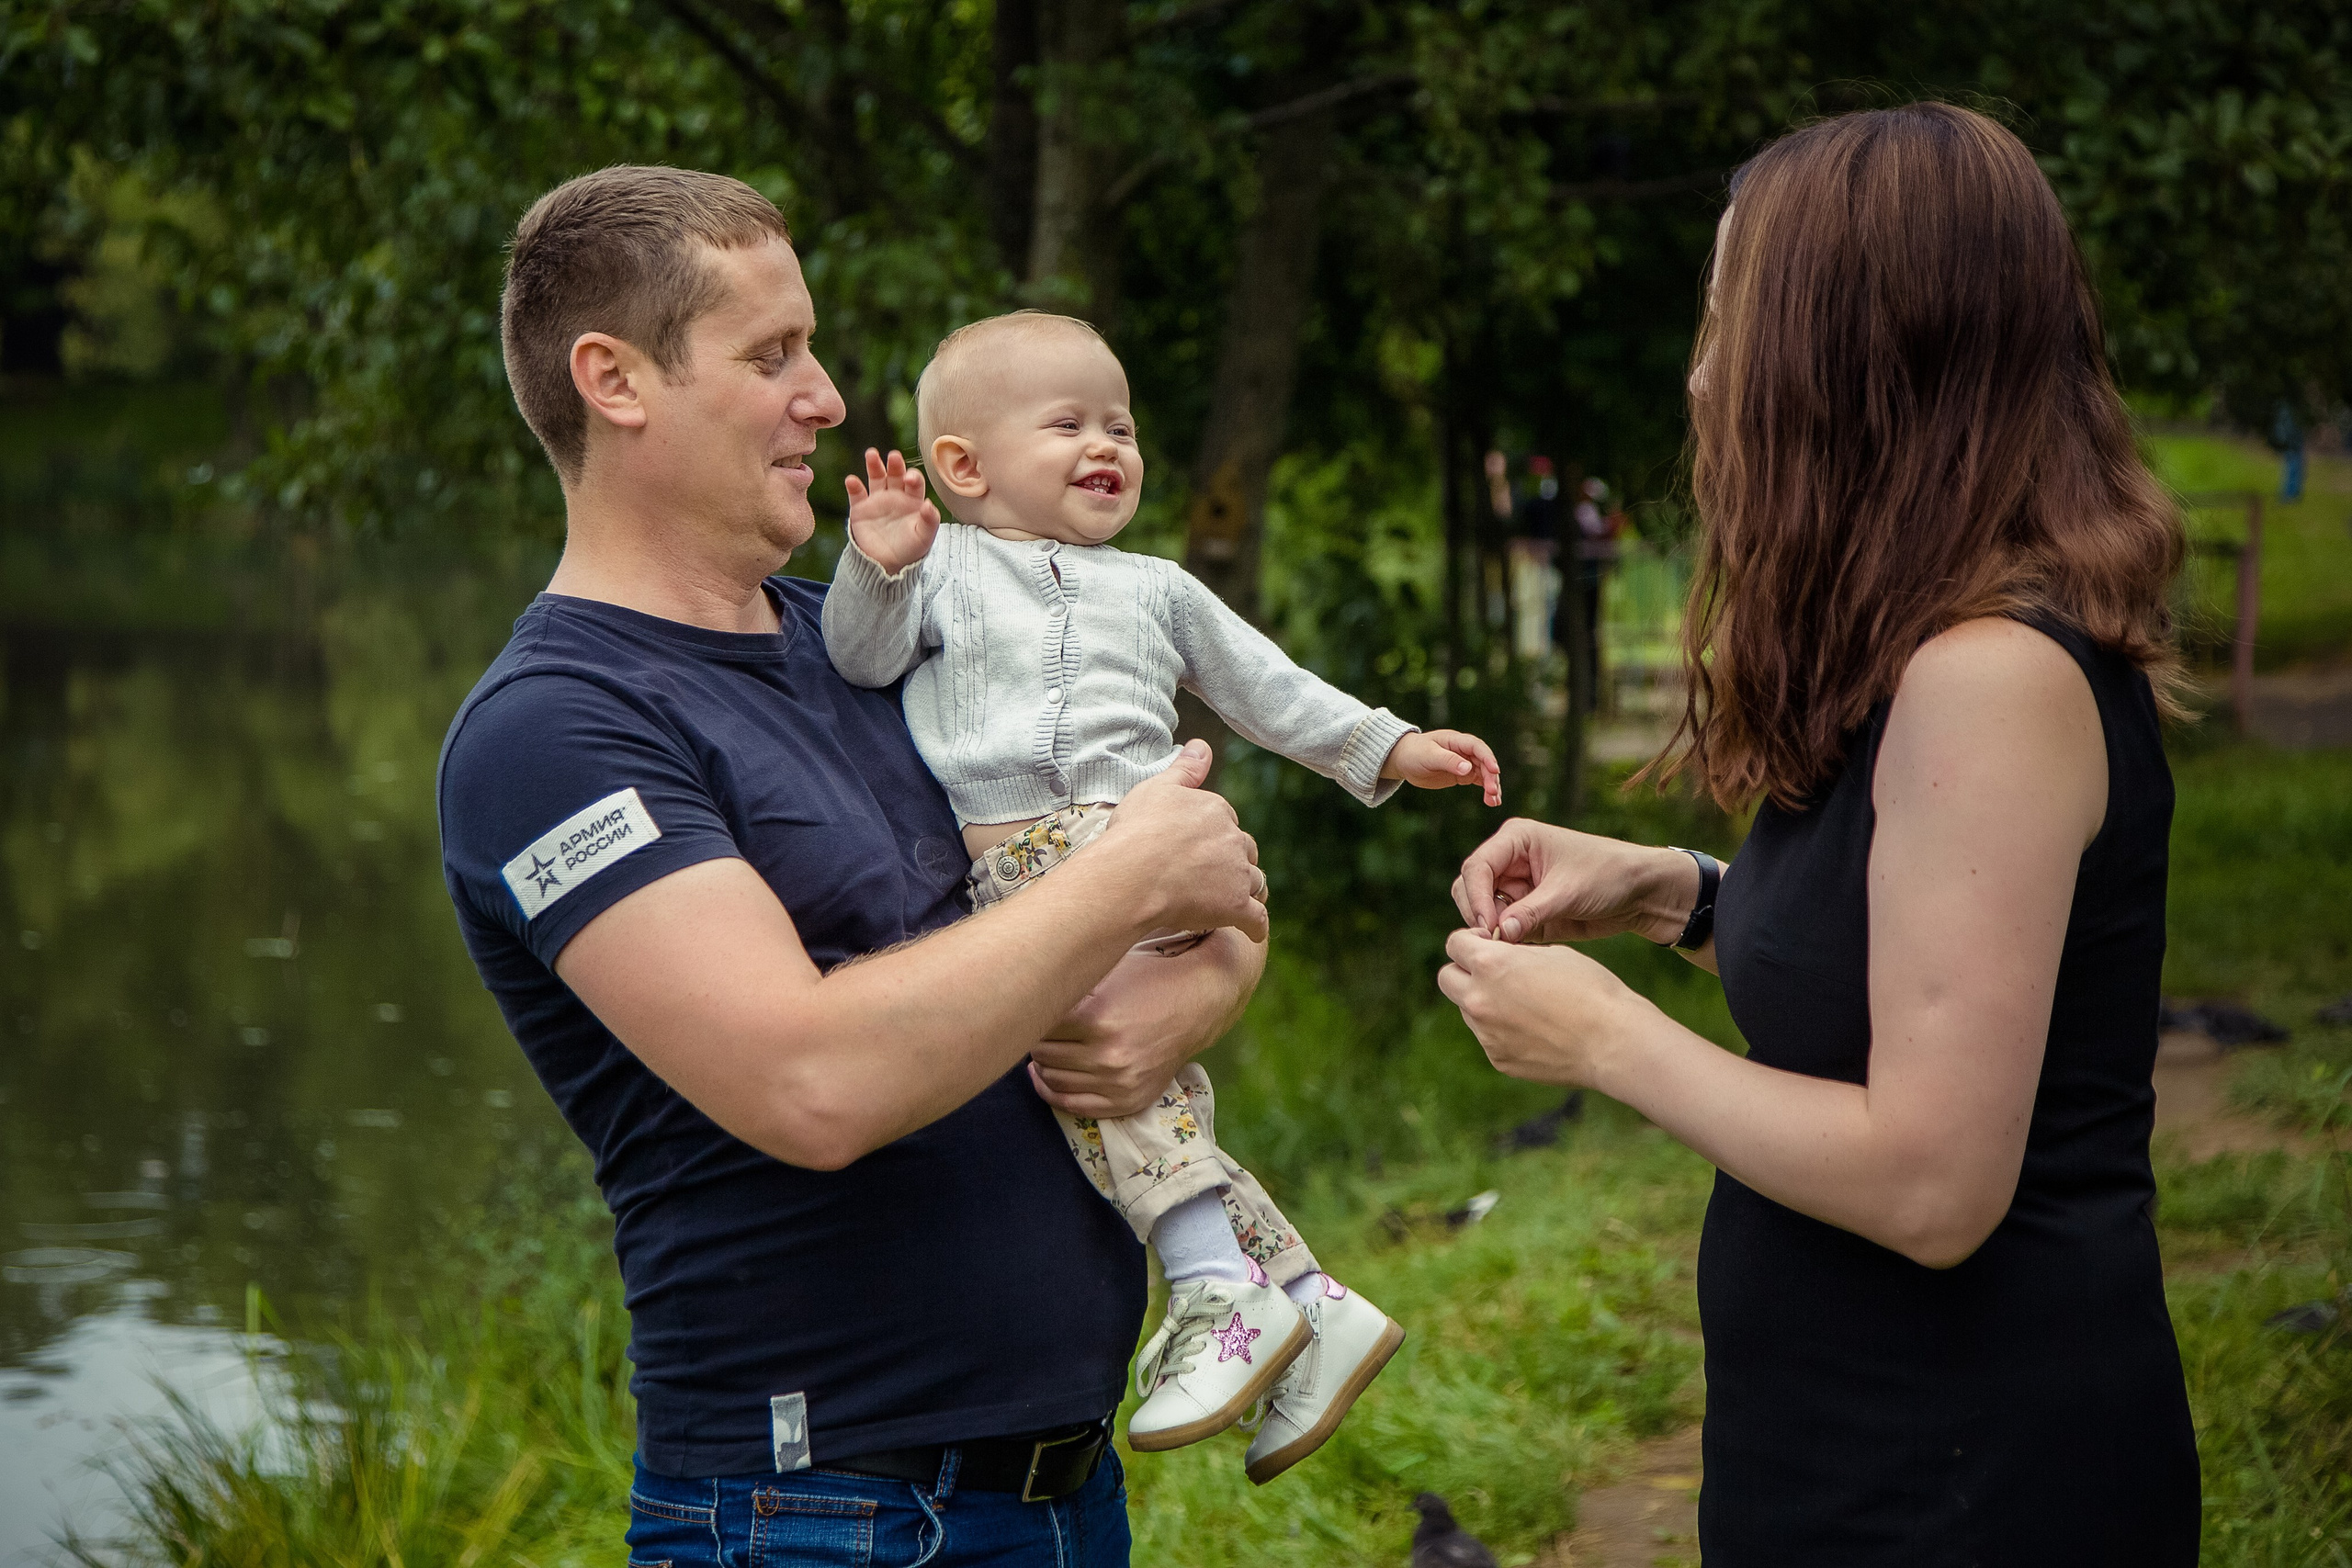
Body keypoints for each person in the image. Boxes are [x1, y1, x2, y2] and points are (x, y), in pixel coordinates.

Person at [436, 167, 1273, 1567]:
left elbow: (1181, 871)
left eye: (810, 349)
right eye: (772, 356)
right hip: (817, 1511)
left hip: (1068, 1489)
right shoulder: (551, 732)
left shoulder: (876, 639)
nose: (825, 396)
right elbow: (811, 1080)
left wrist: (1204, 985)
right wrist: (1127, 888)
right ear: (614, 380)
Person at [1438, 103, 2199, 1564]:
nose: (1705, 369)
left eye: (1732, 316)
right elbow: (1900, 981)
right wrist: (1677, 893)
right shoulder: (1927, 654)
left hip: (1965, 1487)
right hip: (1855, 1454)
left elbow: (1932, 1182)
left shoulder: (1991, 677)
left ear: (1852, 356)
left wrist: (1604, 1038)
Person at [821, 309, 1497, 1481]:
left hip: (1107, 852)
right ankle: (1304, 1300)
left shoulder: (1159, 588)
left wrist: (1387, 749)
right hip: (1068, 869)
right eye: (1070, 423)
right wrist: (876, 566)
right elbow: (859, 661)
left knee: (1081, 1073)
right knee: (1133, 1098)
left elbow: (1268, 690)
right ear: (963, 466)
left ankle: (1209, 1291)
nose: (1108, 446)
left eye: (1122, 426)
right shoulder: (940, 570)